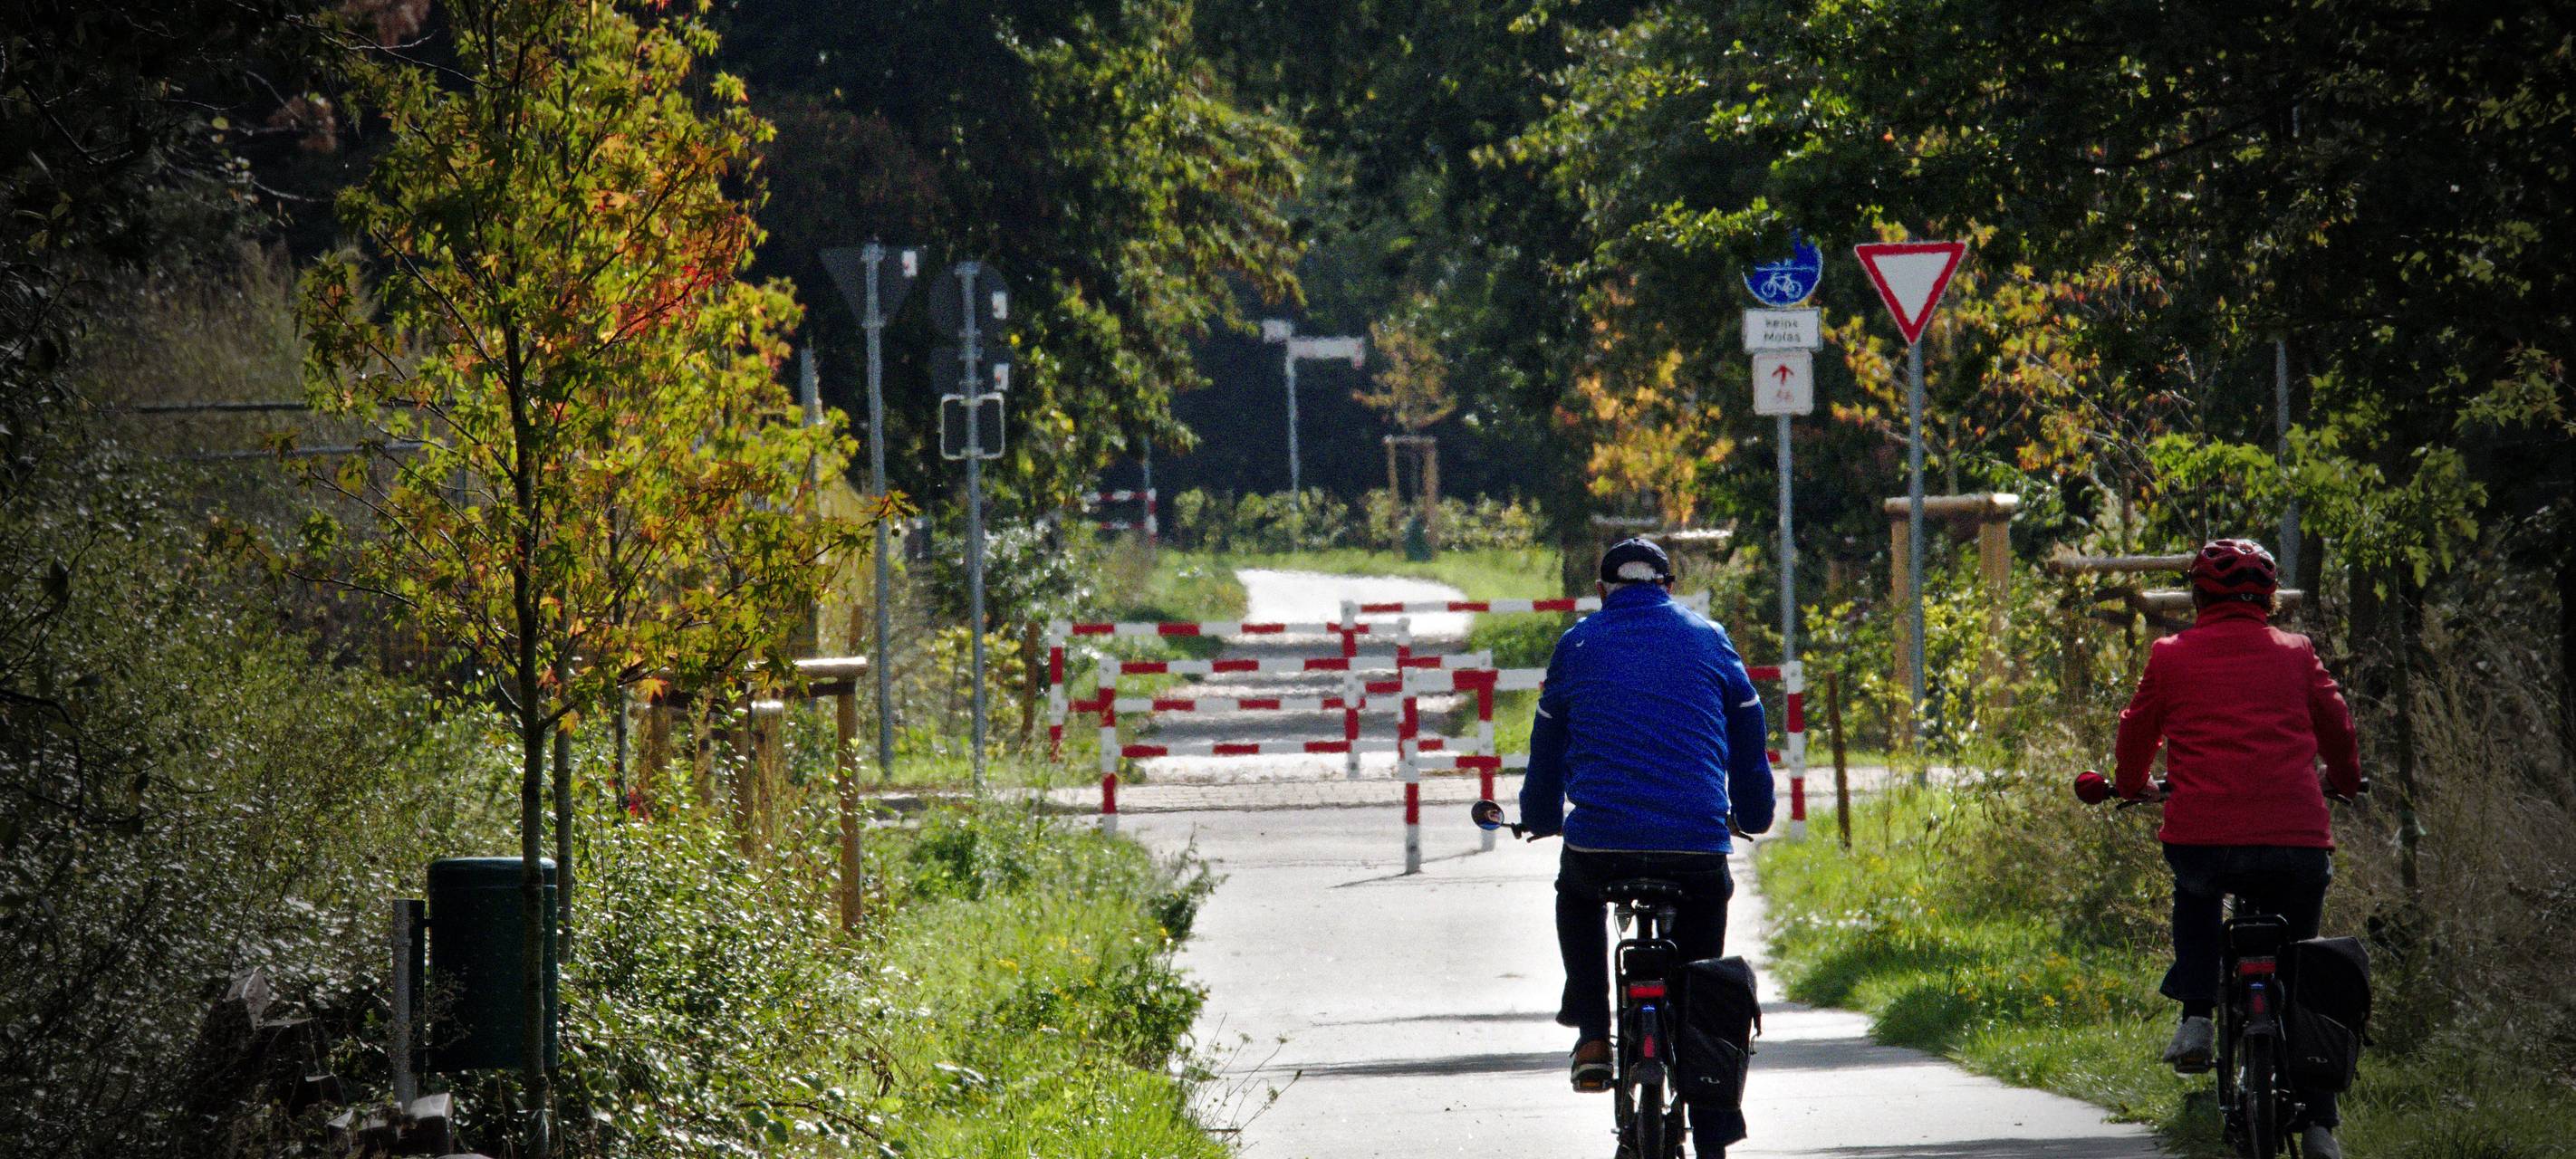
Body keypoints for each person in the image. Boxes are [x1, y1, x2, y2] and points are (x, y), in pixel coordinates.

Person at [1520, 537, 1775, 1159]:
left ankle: (1591, 1037)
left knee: (1575, 894)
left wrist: (1538, 817)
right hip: (1694, 844)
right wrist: (1754, 812)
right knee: (1701, 961)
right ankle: (1708, 1107)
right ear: (1667, 586)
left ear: (1603, 591)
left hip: (1601, 844)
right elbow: (1749, 725)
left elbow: (1547, 744)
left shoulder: (1578, 644)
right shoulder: (1709, 638)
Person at [2115, 538, 2364, 1159]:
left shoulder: (2171, 654)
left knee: (2195, 894)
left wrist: (2128, 786)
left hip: (2205, 838)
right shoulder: (2297, 653)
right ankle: (2321, 1128)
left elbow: (2136, 727)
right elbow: (2337, 724)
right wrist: (2347, 779)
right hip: (2296, 844)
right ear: (2269, 601)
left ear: (2198, 597)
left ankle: (2197, 1014)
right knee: (2303, 967)